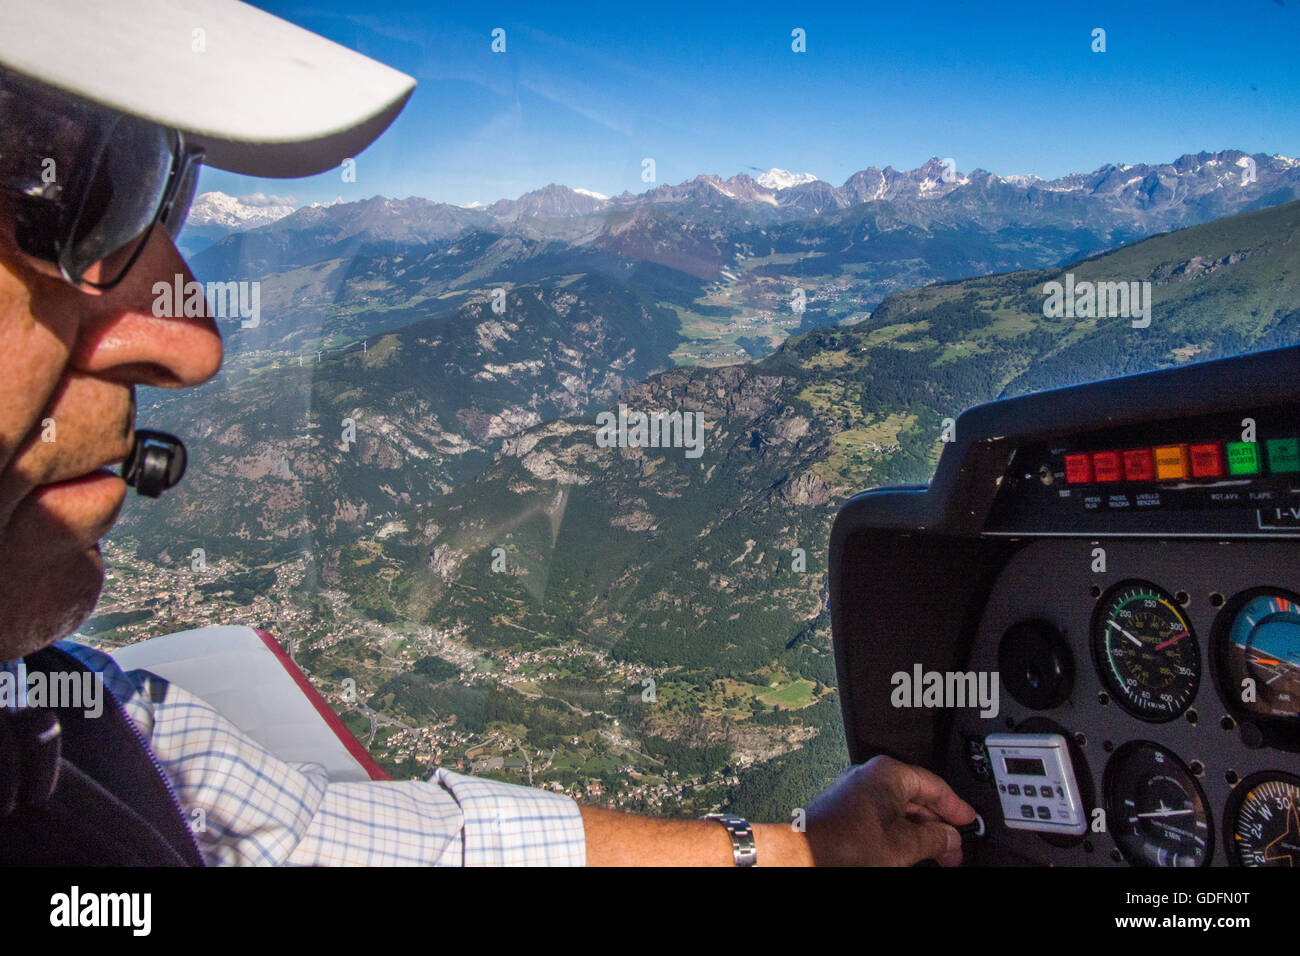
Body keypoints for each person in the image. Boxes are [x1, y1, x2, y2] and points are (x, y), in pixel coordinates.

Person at [0, 0, 975, 866]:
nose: (190, 341)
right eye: (84, 192)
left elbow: (327, 837)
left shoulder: (73, 721)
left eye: (164, 196)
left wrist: (800, 851)